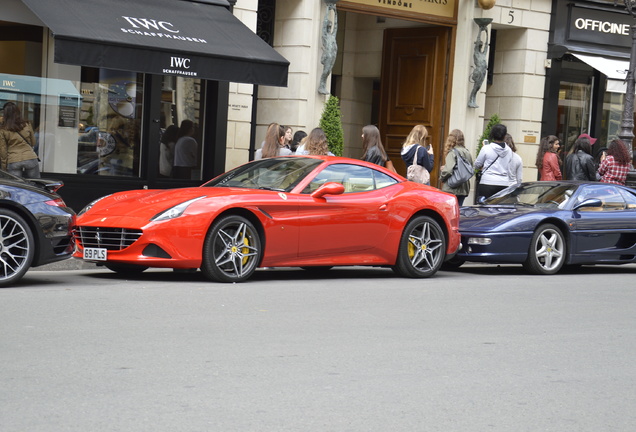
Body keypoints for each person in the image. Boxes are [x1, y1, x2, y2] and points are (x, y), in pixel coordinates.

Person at [0, 102, 40, 178]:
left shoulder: (3, 129)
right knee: (36, 184)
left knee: (16, 187)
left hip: (13, 160)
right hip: (30, 157)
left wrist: (4, 166)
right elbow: (33, 142)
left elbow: (3, 150)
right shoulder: (27, 124)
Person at [474, 123, 513, 199]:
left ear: (492, 135)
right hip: (504, 183)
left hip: (487, 182)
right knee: (500, 210)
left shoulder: (486, 148)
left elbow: (477, 164)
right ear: (504, 136)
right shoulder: (509, 150)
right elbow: (509, 166)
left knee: (485, 209)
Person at [439, 129, 473, 205]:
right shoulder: (467, 152)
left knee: (449, 213)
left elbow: (448, 171)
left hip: (451, 188)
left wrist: (442, 177)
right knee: (459, 211)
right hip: (464, 188)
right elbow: (470, 168)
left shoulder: (452, 152)